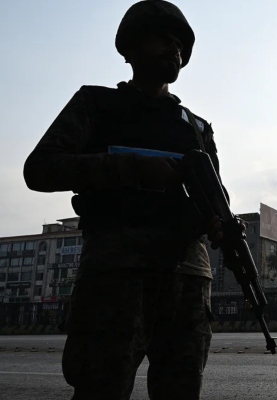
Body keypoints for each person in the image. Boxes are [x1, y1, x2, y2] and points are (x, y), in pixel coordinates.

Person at [23, 1, 226, 399]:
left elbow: (216, 196)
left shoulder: (196, 127)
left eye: (180, 44)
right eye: (162, 39)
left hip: (187, 278)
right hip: (117, 275)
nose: (174, 50)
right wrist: (129, 167)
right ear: (131, 49)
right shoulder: (97, 105)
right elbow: (40, 169)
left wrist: (220, 224)